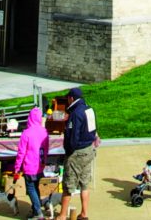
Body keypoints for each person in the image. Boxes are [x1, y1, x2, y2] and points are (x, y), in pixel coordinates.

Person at [58, 86, 98, 220]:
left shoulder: (75, 113)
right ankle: (84, 213)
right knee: (84, 183)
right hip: (89, 150)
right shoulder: (89, 109)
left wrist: (69, 151)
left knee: (69, 185)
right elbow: (93, 130)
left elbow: (73, 136)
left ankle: (62, 215)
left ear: (71, 98)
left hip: (77, 152)